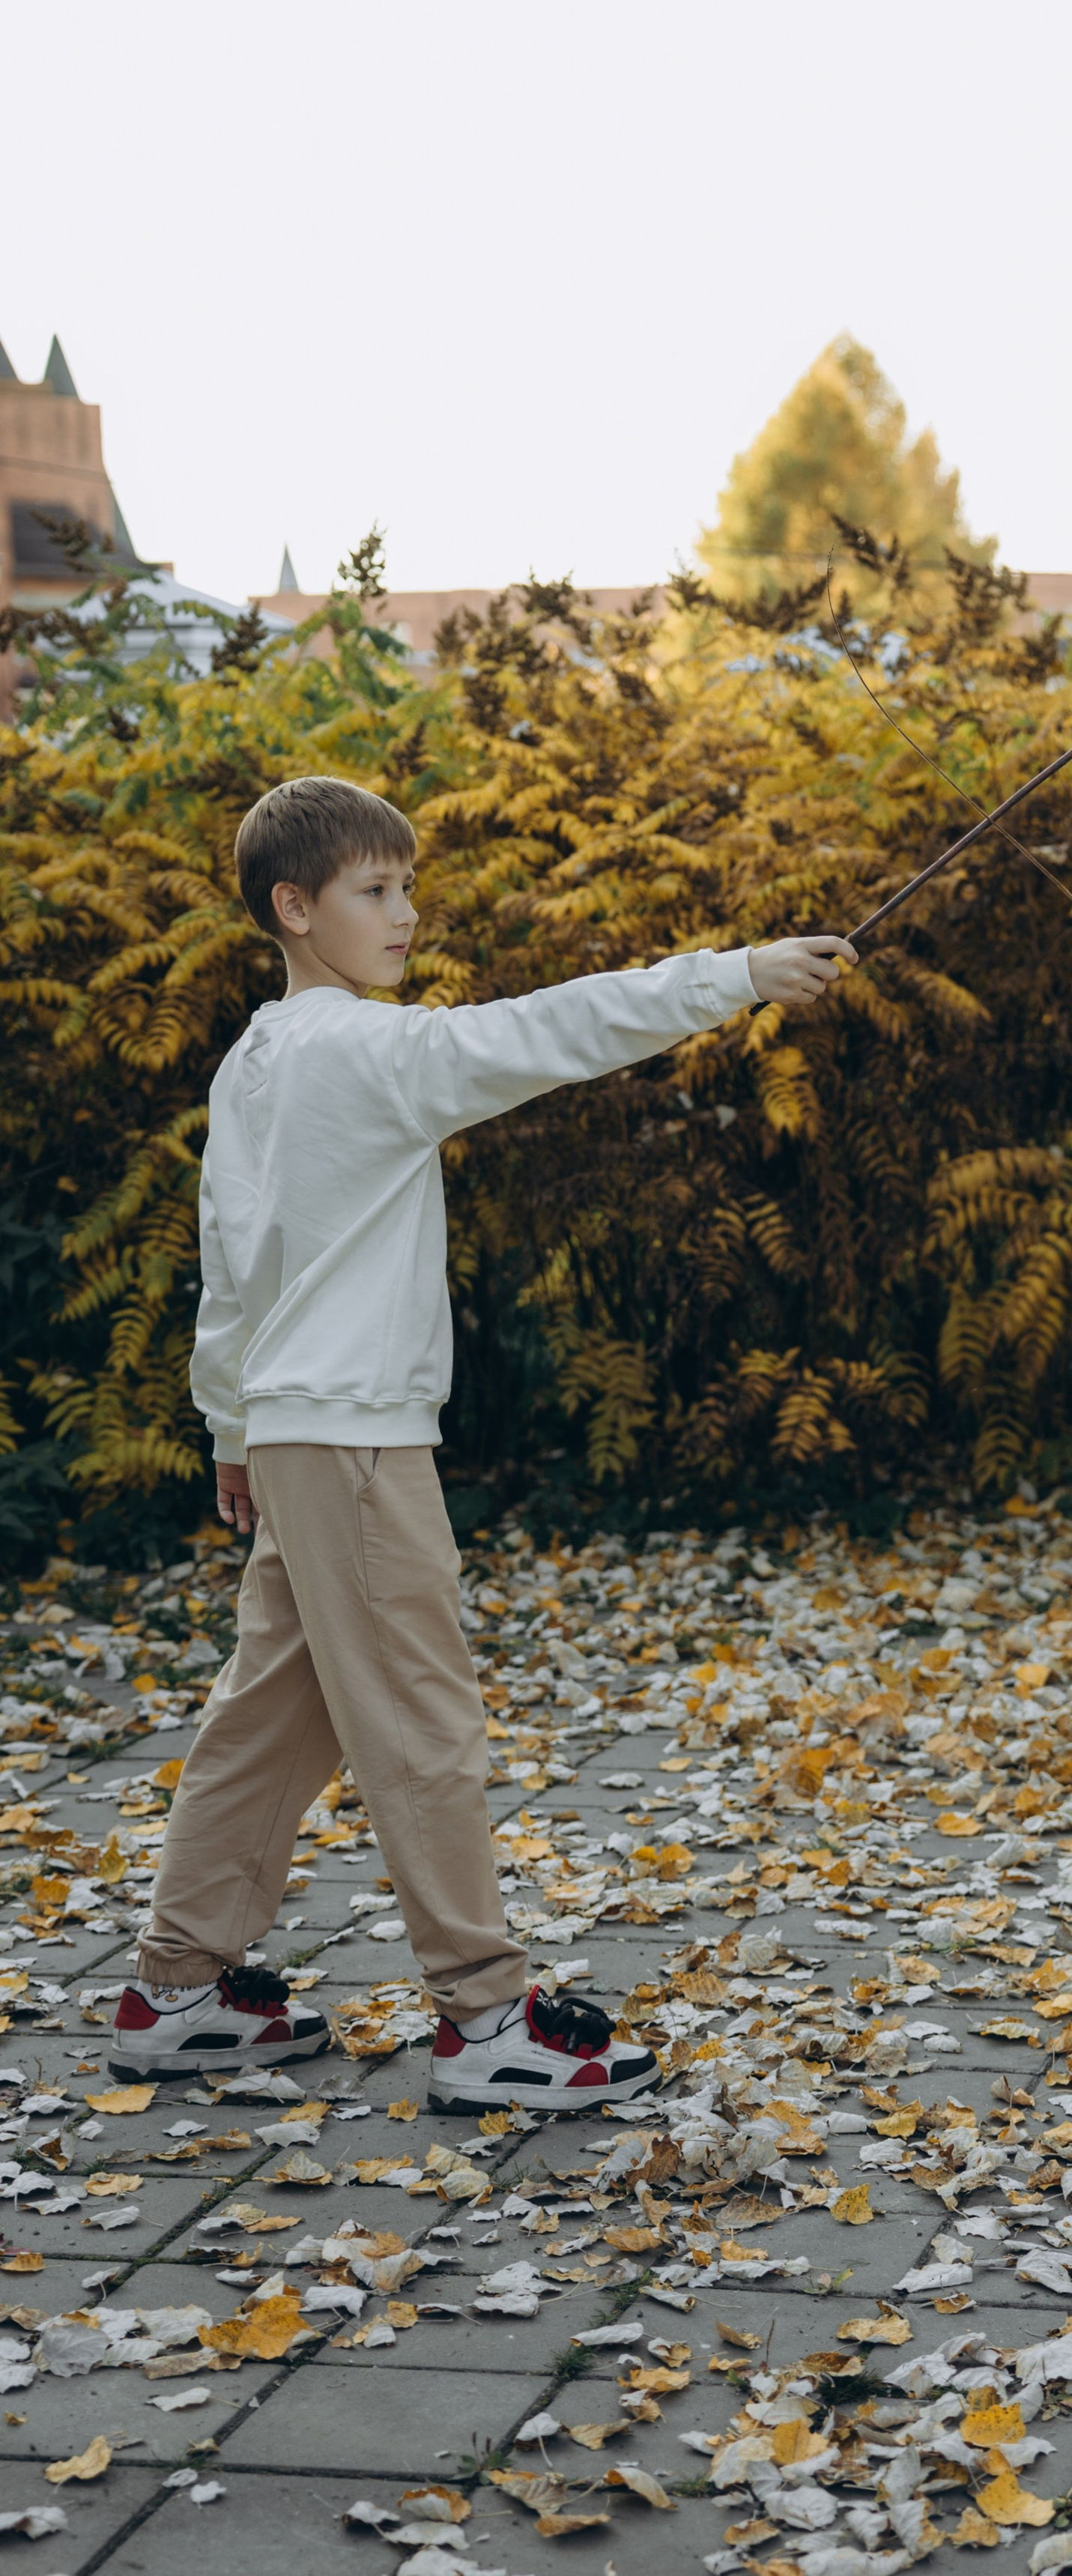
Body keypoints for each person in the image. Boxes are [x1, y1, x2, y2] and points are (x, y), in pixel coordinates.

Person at [114, 773, 854, 2114]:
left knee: (272, 1717)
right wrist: (738, 975)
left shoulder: (255, 1059)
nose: (405, 913)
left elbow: (231, 1262)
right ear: (295, 907)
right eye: (375, 890)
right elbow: (553, 1028)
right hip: (353, 1444)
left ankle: (175, 1992)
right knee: (421, 1720)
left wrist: (233, 1424)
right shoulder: (369, 1053)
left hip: (296, 1433)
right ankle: (485, 2018)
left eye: (407, 886)